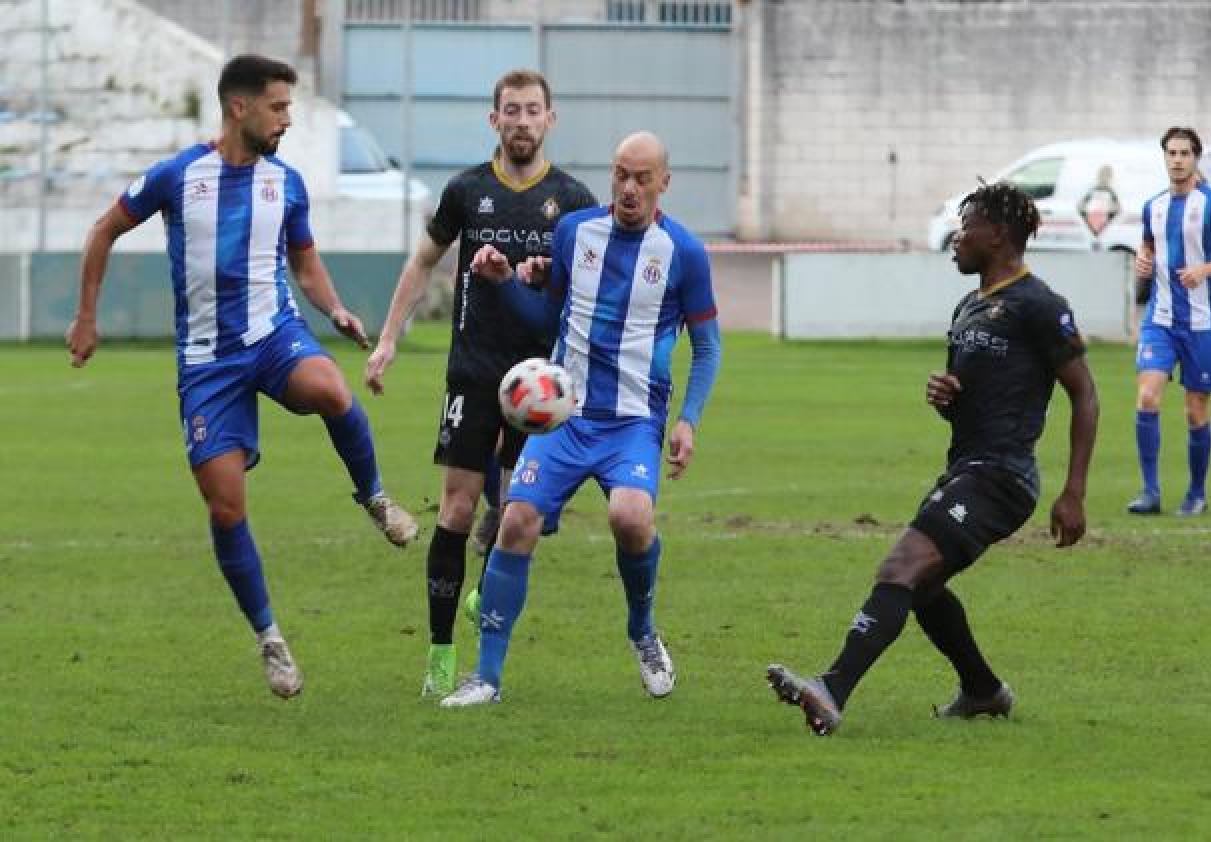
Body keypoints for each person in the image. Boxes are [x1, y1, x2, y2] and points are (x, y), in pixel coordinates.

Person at [66, 54, 419, 699]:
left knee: (333, 391)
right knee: (226, 505)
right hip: (207, 363)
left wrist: (334, 307)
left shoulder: (285, 184)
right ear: (240, 108)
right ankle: (270, 638)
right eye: (279, 108)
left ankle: (374, 497)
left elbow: (305, 263)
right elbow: (103, 231)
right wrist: (87, 317)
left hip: (273, 336)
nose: (287, 120)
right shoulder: (178, 176)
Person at [766, 182, 1099, 735]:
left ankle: (831, 689)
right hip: (967, 468)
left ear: (996, 234)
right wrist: (950, 400)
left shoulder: (1040, 305)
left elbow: (1084, 393)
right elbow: (977, 403)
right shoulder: (969, 307)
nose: (955, 236)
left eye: (965, 225)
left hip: (1002, 476)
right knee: (922, 588)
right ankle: (984, 690)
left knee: (901, 567)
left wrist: (1075, 491)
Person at [439, 131, 723, 708]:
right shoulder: (574, 232)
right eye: (621, 173)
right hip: (567, 417)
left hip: (633, 423)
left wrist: (688, 419)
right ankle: (486, 678)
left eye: (643, 178)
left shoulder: (684, 253)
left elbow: (709, 345)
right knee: (516, 520)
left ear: (664, 183)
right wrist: (499, 285)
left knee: (630, 516)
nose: (628, 188)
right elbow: (549, 316)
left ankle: (642, 631)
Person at [364, 69, 596, 696]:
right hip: (473, 371)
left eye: (533, 111)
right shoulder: (466, 191)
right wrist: (388, 338)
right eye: (511, 111)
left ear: (552, 119)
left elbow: (587, 289)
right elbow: (422, 261)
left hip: (542, 383)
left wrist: (547, 277)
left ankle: (488, 583)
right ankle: (440, 656)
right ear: (493, 120)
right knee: (459, 508)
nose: (522, 121)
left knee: (527, 514)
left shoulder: (575, 202)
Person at [1127, 127, 1211, 517]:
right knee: (1147, 397)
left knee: (1195, 411)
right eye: (1171, 153)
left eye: (1184, 153)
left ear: (1196, 158)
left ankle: (1196, 494)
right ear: (1164, 158)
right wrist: (1143, 260)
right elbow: (1148, 244)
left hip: (1201, 322)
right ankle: (1150, 492)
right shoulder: (1154, 206)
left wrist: (1206, 269)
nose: (1177, 159)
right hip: (1159, 319)